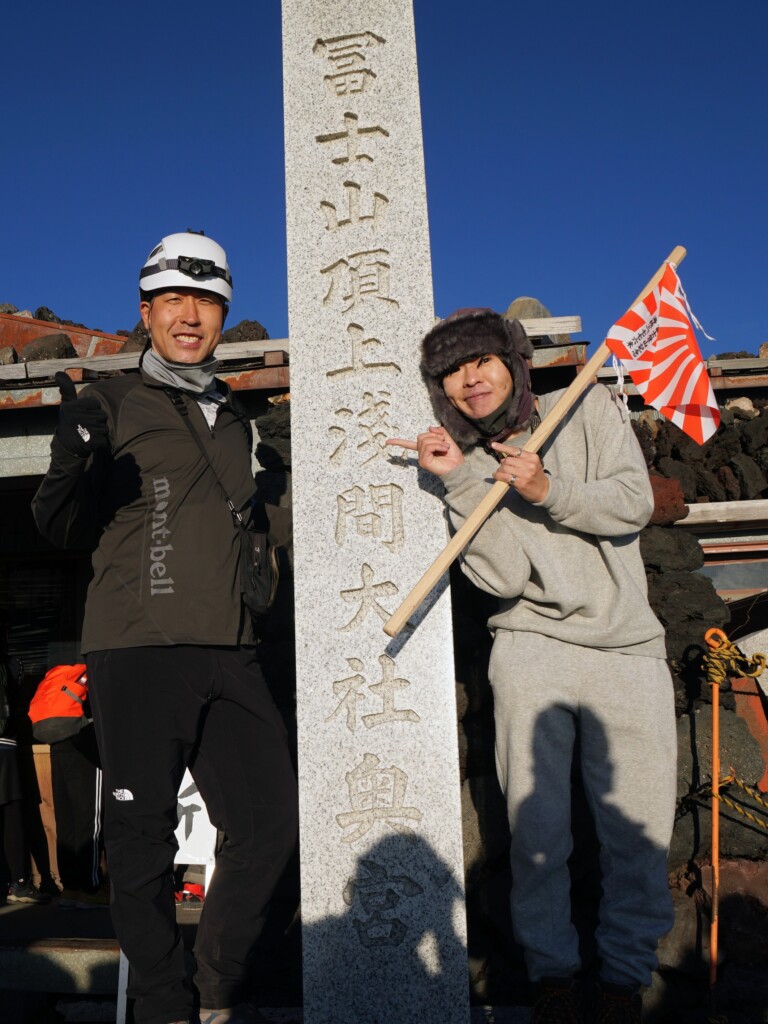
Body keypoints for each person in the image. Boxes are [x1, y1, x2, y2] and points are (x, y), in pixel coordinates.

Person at [32, 232, 298, 1024]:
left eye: (208, 301)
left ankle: (215, 987)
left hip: (232, 649)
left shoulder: (237, 418)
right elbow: (57, 523)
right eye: (175, 300)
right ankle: (160, 1001)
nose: (192, 316)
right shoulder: (108, 404)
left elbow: (266, 521)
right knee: (142, 834)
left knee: (266, 822)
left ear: (224, 314)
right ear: (146, 311)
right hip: (137, 647)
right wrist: (74, 457)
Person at [387, 308, 677, 1024]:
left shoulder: (586, 409)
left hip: (627, 649)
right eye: (451, 373)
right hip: (530, 650)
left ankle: (622, 981)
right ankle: (552, 975)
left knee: (638, 834)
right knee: (538, 834)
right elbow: (507, 577)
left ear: (512, 365)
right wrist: (460, 485)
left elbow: (633, 505)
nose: (468, 380)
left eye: (480, 362)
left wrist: (550, 490)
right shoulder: (472, 463)